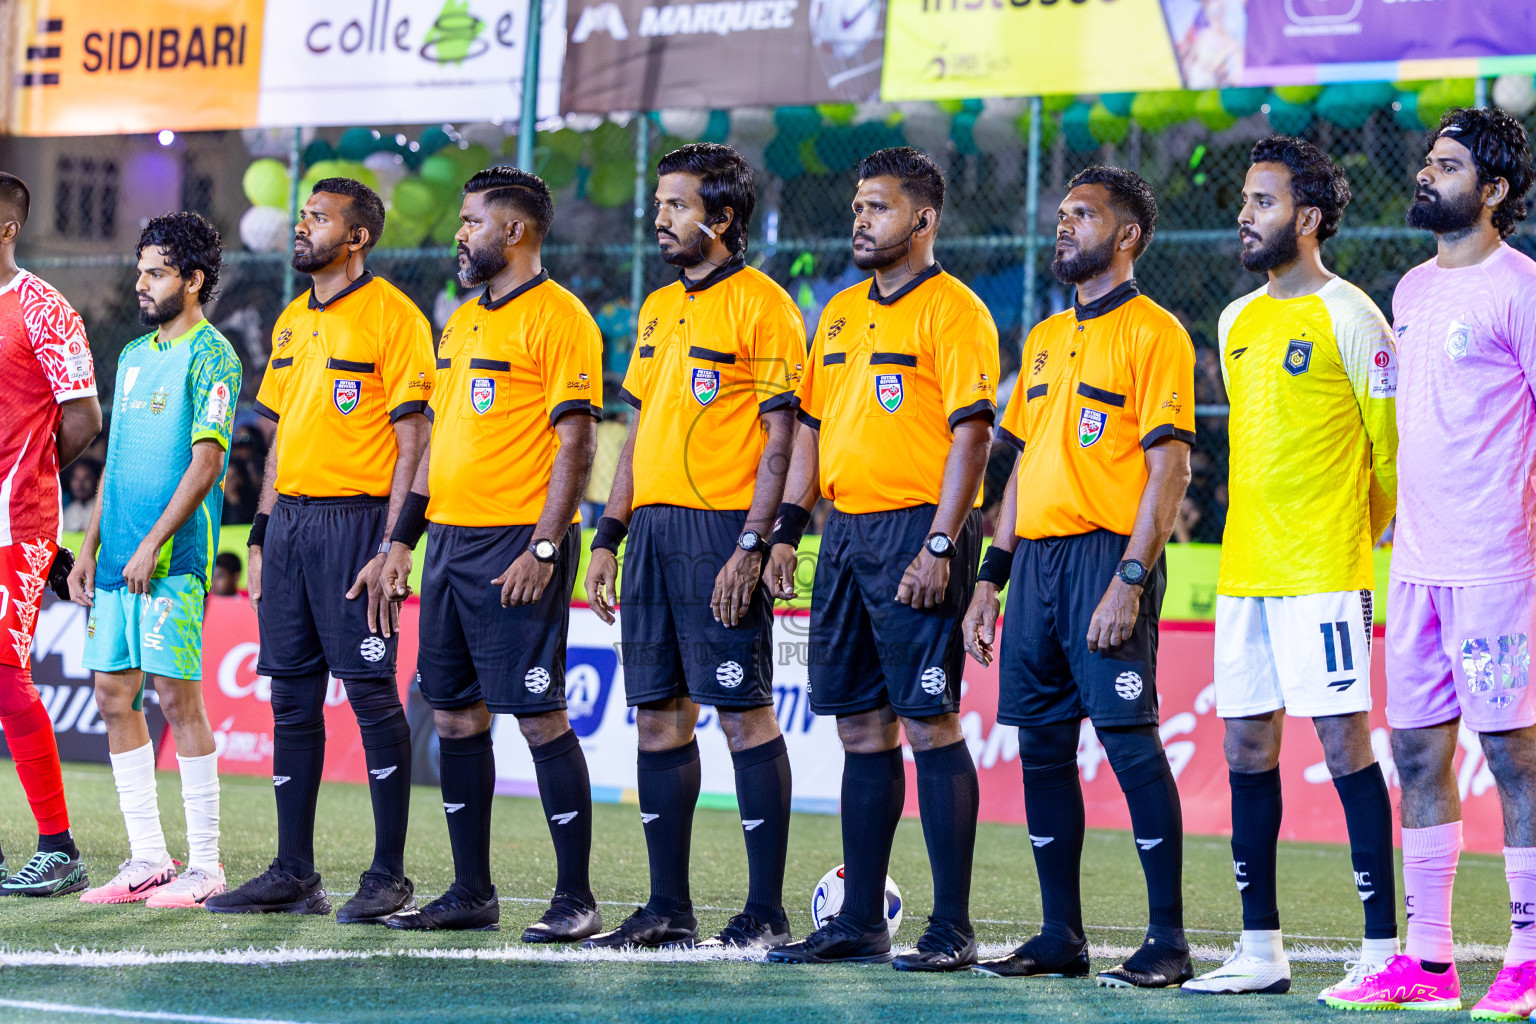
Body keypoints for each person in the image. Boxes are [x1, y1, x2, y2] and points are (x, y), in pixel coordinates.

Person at [764, 147, 998, 970]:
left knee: (929, 724)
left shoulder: (956, 311)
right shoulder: (835, 312)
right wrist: (789, 527)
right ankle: (859, 919)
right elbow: (814, 431)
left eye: (879, 207)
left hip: (917, 535)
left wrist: (942, 541)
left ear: (924, 219)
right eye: (858, 206)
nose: (861, 219)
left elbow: (972, 435)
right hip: (845, 535)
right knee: (861, 729)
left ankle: (951, 925)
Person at [1324, 108, 1536, 1017]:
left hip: (1496, 565)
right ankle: (1432, 964)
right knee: (1416, 755)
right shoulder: (1409, 291)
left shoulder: (1522, 288)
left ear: (1492, 191)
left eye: (1447, 165)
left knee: (1516, 757)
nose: (1426, 173)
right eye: (1427, 159)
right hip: (1413, 566)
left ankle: (1529, 957)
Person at [1178, 137, 1400, 997]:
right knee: (1244, 745)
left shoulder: (1354, 316)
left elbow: (1387, 454)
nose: (1244, 214)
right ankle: (1260, 950)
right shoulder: (1236, 322)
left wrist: (1356, 540)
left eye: (1262, 202)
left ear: (1306, 219)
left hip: (1324, 568)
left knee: (1343, 741)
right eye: (1244, 200)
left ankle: (1382, 952)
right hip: (1245, 572)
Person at [963, 166, 1195, 987]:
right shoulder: (1044, 337)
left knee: (1130, 745)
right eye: (1061, 214)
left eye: (1083, 215)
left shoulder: (1155, 332)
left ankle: (1167, 938)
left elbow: (1168, 471)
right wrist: (992, 575)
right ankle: (1060, 934)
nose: (1064, 227)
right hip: (1037, 565)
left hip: (1107, 556)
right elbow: (1018, 470)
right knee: (1042, 750)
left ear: (1126, 236)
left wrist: (1131, 576)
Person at [583, 143, 802, 950]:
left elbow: (780, 436)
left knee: (743, 718)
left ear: (724, 218)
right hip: (651, 533)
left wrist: (754, 543)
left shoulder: (765, 307)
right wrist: (607, 533)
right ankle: (667, 909)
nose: (661, 219)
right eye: (659, 204)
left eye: (676, 205)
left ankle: (765, 911)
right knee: (656, 721)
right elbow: (639, 433)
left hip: (721, 533)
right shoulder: (656, 308)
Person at [380, 167, 603, 939]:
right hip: (449, 541)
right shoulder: (463, 319)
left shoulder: (562, 319)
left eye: (471, 221)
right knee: (453, 717)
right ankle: (471, 891)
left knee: (539, 716)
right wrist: (401, 541)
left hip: (518, 543)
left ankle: (575, 896)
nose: (459, 234)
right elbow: (440, 441)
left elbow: (576, 443)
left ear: (514, 231)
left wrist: (545, 545)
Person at [205, 178, 435, 922]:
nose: (302, 227)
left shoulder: (395, 318)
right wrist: (263, 531)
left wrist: (393, 544)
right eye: (302, 215)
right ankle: (294, 874)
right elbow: (280, 439)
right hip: (293, 528)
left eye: (318, 218)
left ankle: (390, 874)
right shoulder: (293, 319)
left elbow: (413, 444)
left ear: (357, 237)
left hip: (358, 525)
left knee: (370, 696)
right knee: (290, 698)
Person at [67, 212, 242, 908]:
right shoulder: (134, 355)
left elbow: (207, 462)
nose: (141, 284)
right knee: (114, 696)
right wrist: (90, 547)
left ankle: (206, 864)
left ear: (193, 280)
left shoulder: (213, 355)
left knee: (176, 697)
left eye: (156, 272)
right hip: (116, 563)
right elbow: (114, 465)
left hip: (173, 561)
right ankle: (146, 859)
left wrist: (150, 543)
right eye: (140, 271)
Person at [0, 172, 102, 896]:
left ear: (7, 228)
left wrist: (34, 470)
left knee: (7, 680)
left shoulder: (44, 307)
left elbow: (85, 416)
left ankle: (59, 846)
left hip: (17, 518)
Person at [60, 459, 100, 532]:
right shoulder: (69, 510)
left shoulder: (101, 509)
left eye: (86, 478)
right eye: (76, 479)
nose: (80, 484)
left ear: (95, 480)